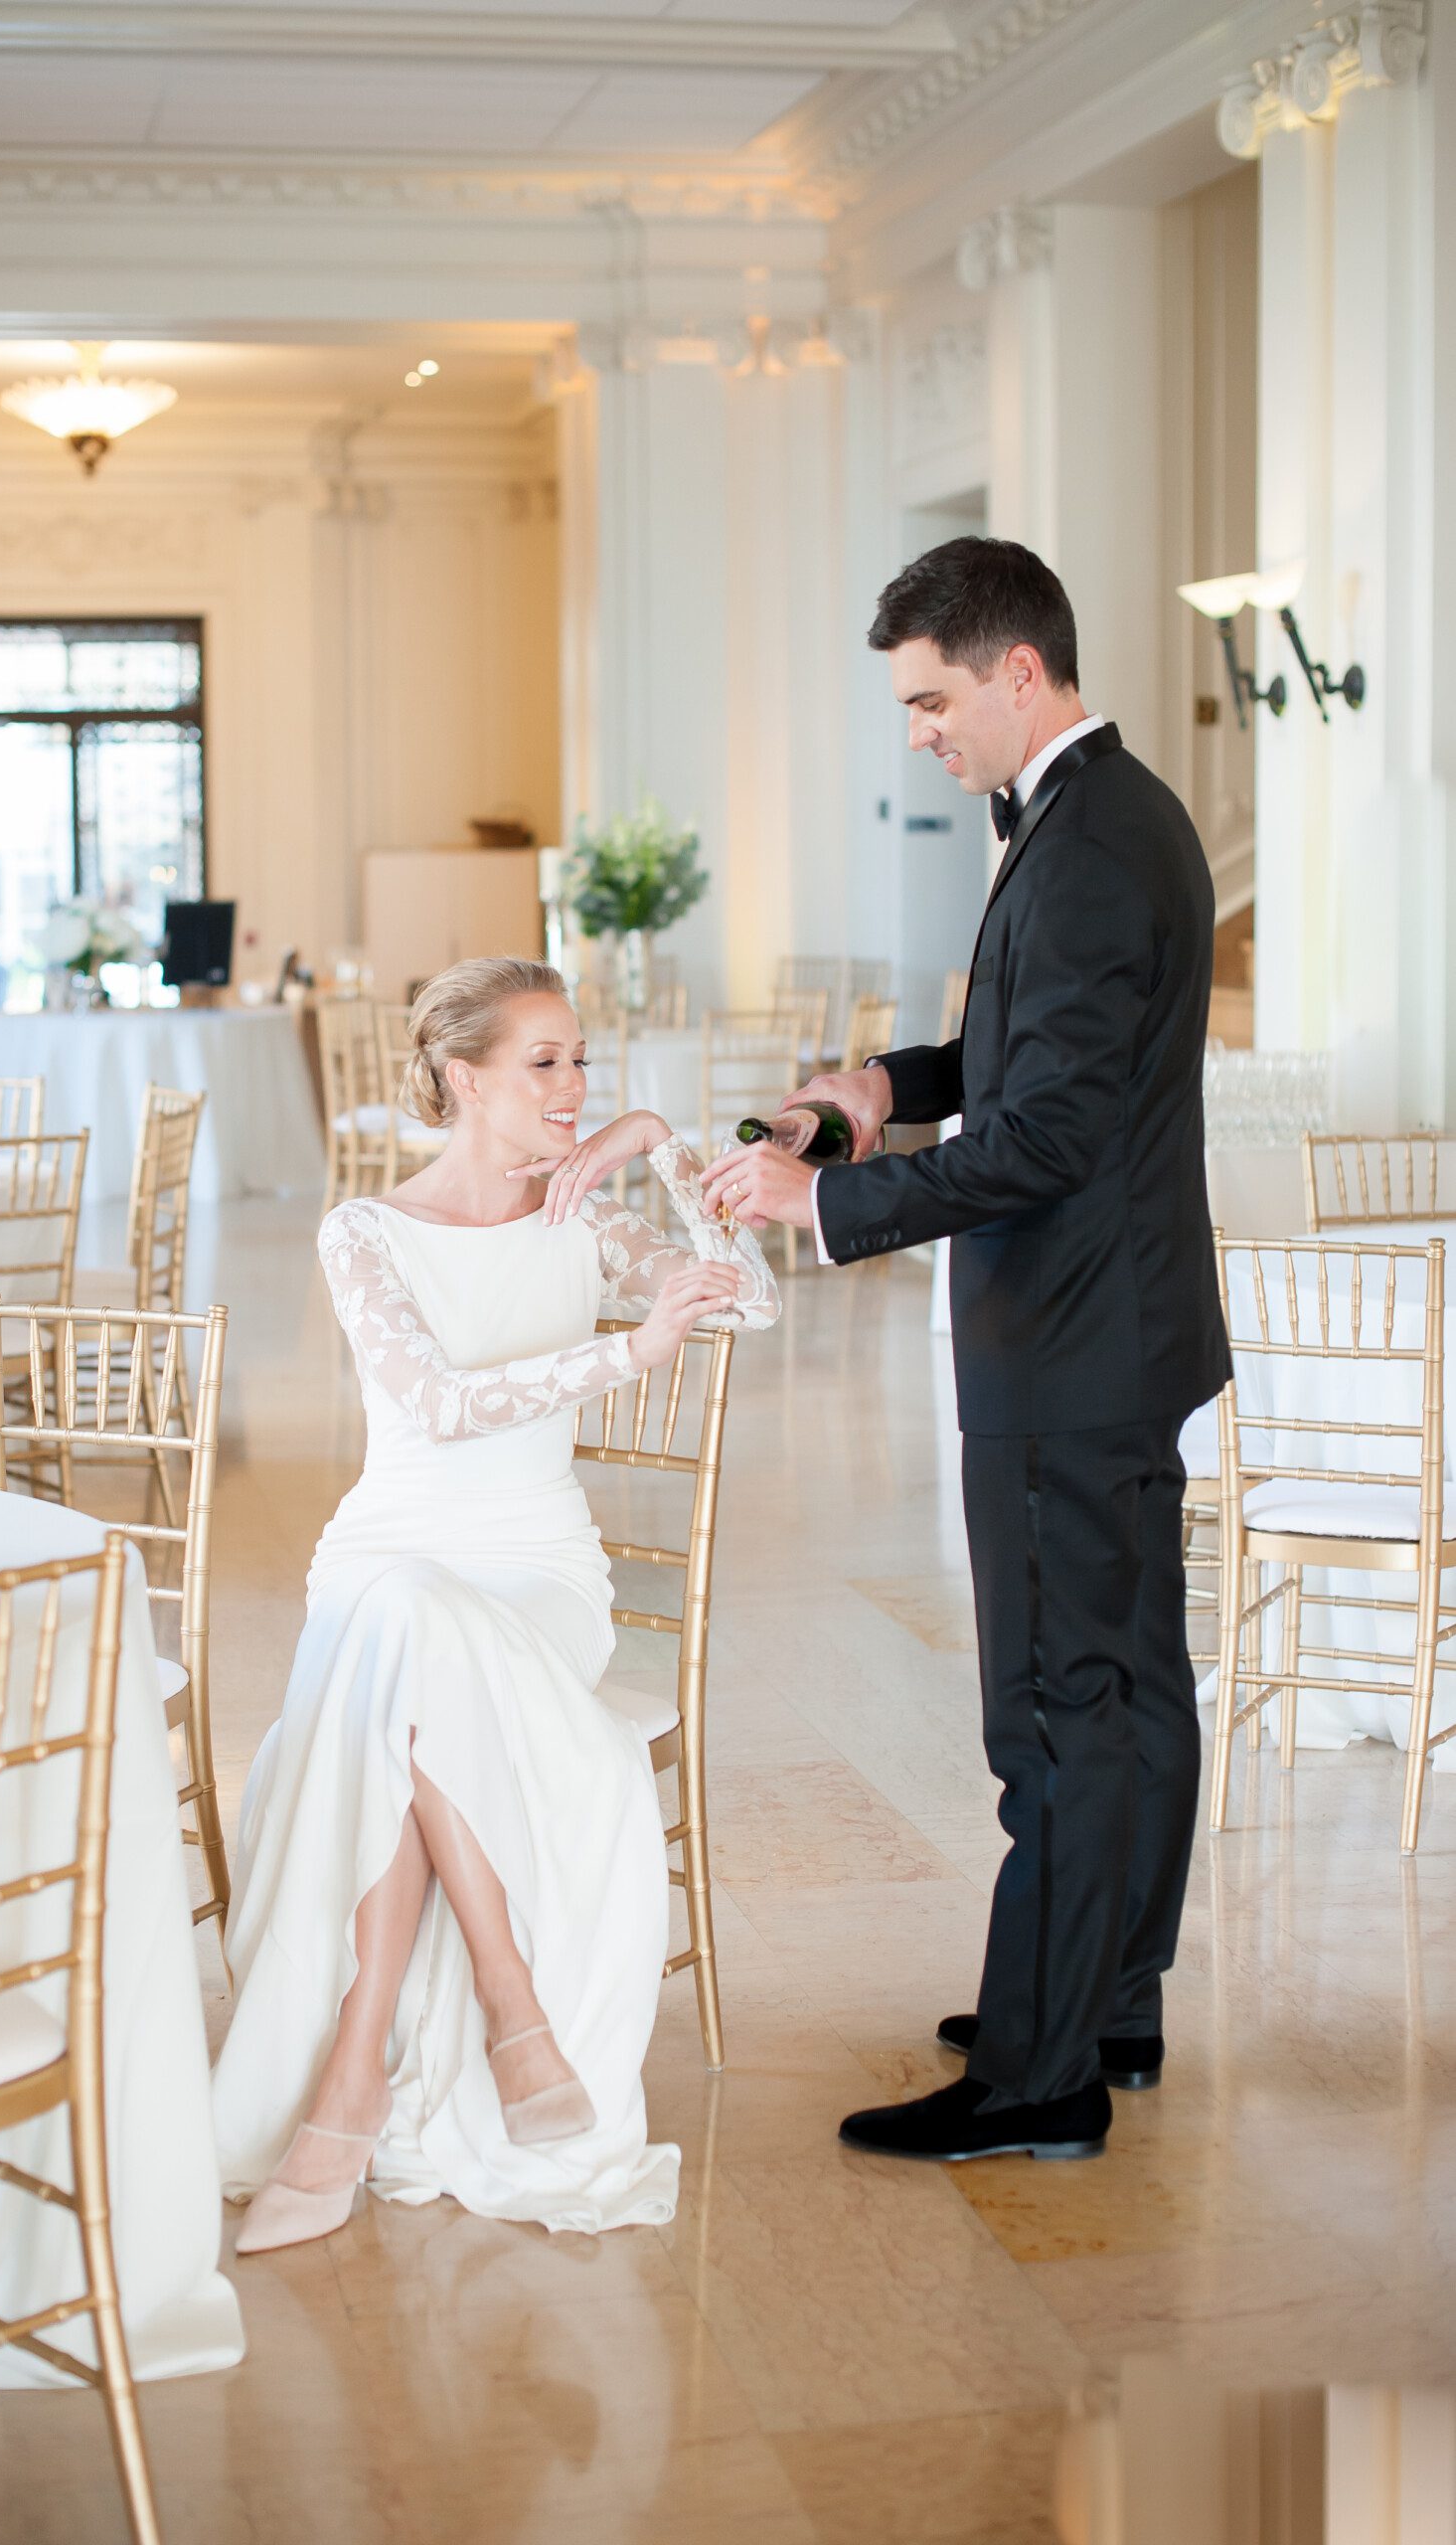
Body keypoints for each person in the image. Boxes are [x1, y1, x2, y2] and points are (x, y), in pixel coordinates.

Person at [702, 536, 1228, 2164]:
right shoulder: (1107, 818)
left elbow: (1052, 1137)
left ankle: (1039, 2077)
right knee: (1134, 1687)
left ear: (1019, 672)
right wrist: (878, 1084)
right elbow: (1022, 1057)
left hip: (1066, 1345)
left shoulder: (1077, 850)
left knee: (1061, 1712)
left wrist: (823, 1202)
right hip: (1121, 1332)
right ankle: (1106, 1996)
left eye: (932, 700)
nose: (917, 732)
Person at [215, 956, 778, 2250]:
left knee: (409, 1654)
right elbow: (432, 1408)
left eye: (584, 1061)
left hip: (535, 1570)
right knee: (406, 1622)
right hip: (390, 1551)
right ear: (464, 1079)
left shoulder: (581, 1212)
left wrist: (663, 1145)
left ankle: (350, 2086)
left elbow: (745, 1295)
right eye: (546, 1064)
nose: (576, 1085)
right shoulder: (361, 1230)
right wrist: (620, 1355)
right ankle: (503, 2014)